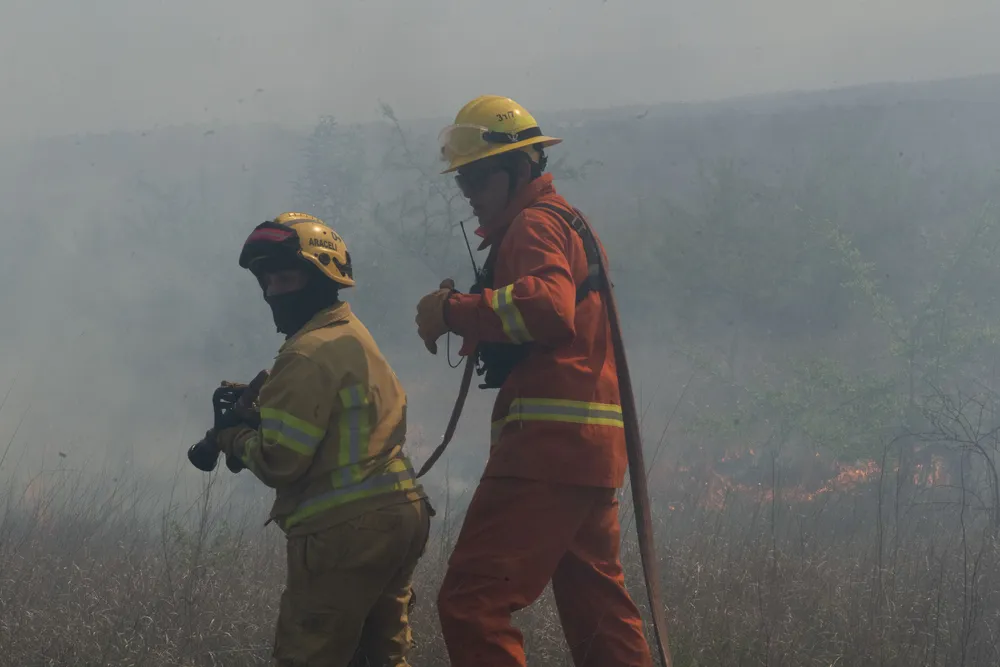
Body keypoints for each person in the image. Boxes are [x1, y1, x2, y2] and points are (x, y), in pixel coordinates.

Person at [414, 96, 654, 666]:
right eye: (462, 179)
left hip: (546, 450)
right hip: (586, 451)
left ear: (520, 168)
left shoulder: (533, 224)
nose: (467, 190)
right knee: (598, 615)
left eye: (477, 177)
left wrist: (454, 311)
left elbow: (547, 310)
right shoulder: (563, 220)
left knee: (472, 602)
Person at [214, 212, 432, 667]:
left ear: (320, 278)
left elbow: (280, 462)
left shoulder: (305, 354)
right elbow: (335, 428)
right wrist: (264, 416)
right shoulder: (350, 334)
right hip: (399, 518)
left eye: (285, 277)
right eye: (267, 280)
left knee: (308, 655)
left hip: (345, 532)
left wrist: (233, 437)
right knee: (381, 657)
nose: (273, 291)